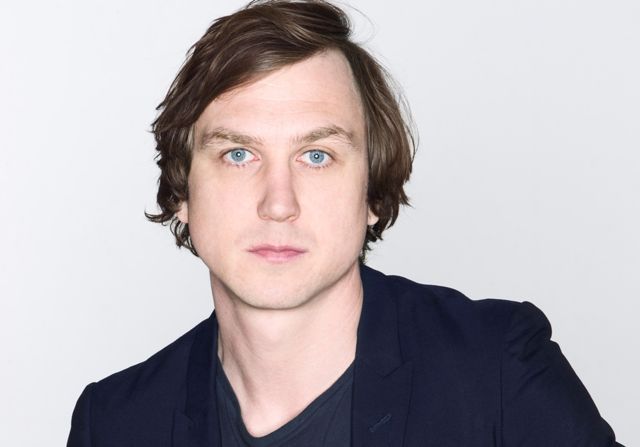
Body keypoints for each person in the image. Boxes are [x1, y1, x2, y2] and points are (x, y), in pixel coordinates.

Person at [67, 1, 623, 446]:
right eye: (238, 154)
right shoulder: (114, 422)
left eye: (317, 156)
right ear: (183, 194)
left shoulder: (497, 370)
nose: (278, 203)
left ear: (372, 195)